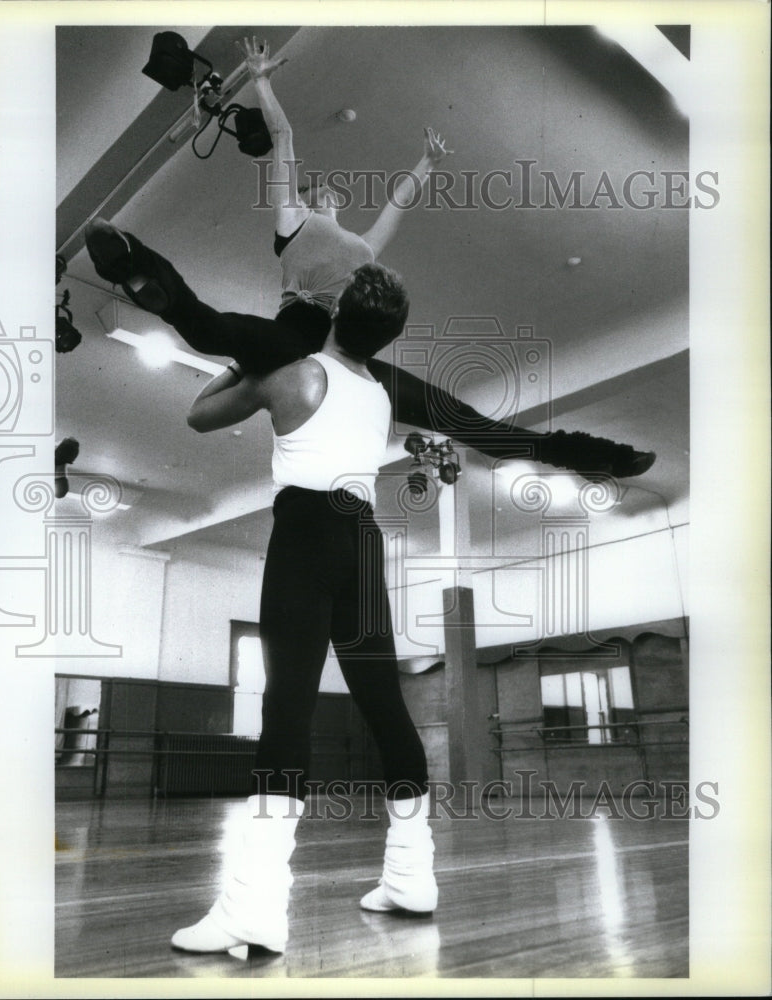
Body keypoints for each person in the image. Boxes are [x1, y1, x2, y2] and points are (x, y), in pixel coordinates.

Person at [84, 37, 656, 482]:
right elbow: (282, 140)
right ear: (309, 201)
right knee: (210, 328)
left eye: (331, 193)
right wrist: (259, 82)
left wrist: (425, 165)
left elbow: (396, 206)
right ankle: (131, 262)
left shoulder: (362, 249)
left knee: (467, 423)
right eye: (319, 191)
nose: (327, 192)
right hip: (305, 341)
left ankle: (594, 456)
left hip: (343, 354)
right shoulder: (292, 221)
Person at [170, 263, 437, 957]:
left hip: (306, 534)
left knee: (286, 707)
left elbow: (198, 416)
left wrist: (249, 354)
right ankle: (412, 878)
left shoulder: (293, 371)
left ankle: (252, 909)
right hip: (363, 537)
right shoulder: (380, 396)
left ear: (334, 314)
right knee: (386, 707)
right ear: (384, 338)